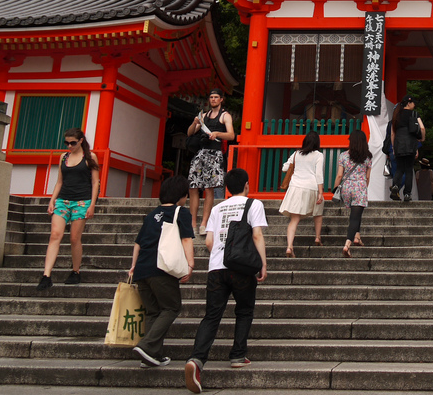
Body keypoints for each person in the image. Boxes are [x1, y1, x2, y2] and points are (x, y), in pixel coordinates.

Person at [184, 168, 267, 394]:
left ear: (228, 187)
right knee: (244, 310)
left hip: (216, 268)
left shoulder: (217, 208)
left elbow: (209, 242)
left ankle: (197, 359)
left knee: (212, 315)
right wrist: (262, 264)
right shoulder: (254, 205)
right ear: (247, 185)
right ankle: (238, 354)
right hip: (241, 269)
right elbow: (257, 235)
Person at [128, 175, 196, 367]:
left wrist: (133, 266)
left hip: (142, 270)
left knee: (153, 312)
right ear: (181, 195)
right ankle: (147, 346)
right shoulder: (180, 212)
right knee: (171, 307)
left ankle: (152, 356)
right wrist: (190, 264)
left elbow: (138, 243)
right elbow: (186, 239)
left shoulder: (151, 215)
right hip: (162, 268)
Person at [38, 127, 100, 289]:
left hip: (82, 201)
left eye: (72, 143)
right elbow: (60, 181)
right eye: (66, 143)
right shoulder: (63, 157)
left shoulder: (89, 157)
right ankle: (46, 274)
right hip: (63, 199)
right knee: (55, 235)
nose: (69, 146)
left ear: (80, 141)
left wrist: (92, 204)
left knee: (74, 238)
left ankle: (76, 270)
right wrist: (52, 200)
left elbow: (95, 182)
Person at [186, 89, 235, 235]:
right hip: (200, 152)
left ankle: (204, 223)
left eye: (216, 97)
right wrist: (195, 122)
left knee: (209, 188)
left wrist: (217, 134)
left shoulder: (225, 115)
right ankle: (193, 222)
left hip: (214, 153)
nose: (213, 99)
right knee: (193, 186)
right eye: (211, 97)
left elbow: (231, 135)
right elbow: (190, 133)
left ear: (221, 99)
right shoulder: (204, 115)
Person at [278, 131, 325, 257]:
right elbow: (319, 174)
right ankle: (317, 237)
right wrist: (321, 192)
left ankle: (289, 247)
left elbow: (284, 168)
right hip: (311, 186)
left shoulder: (296, 153)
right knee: (318, 211)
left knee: (294, 220)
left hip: (296, 187)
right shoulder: (318, 155)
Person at [333, 128, 372, 258]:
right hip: (359, 186)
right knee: (355, 216)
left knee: (355, 214)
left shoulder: (343, 155)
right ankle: (347, 244)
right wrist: (363, 188)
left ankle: (357, 237)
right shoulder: (367, 157)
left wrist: (335, 189)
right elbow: (367, 178)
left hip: (346, 187)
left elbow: (339, 175)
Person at [389, 96, 424, 202]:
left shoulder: (396, 115)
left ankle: (395, 186)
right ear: (408, 103)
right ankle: (407, 194)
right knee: (408, 169)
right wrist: (422, 138)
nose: (414, 105)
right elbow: (422, 127)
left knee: (400, 168)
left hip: (399, 143)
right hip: (410, 143)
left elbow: (392, 133)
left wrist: (394, 147)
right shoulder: (414, 114)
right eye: (413, 103)